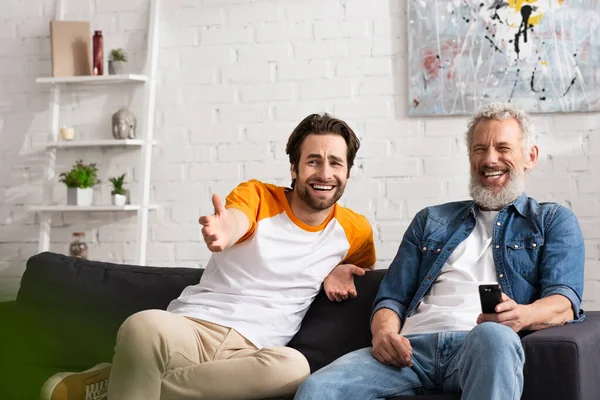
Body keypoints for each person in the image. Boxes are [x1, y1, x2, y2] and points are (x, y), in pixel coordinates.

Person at [41, 113, 376, 400]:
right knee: (142, 325)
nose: (325, 173)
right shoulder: (258, 196)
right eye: (313, 161)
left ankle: (121, 381)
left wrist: (343, 268)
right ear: (294, 167)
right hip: (193, 328)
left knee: (295, 368)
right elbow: (235, 219)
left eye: (336, 163)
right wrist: (223, 230)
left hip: (254, 351)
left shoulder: (354, 230)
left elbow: (364, 267)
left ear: (347, 172)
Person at [295, 103, 585, 400]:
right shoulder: (431, 220)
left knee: (494, 335)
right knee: (317, 389)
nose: (490, 159)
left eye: (503, 148)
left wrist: (521, 316)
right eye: (479, 149)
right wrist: (384, 334)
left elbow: (564, 301)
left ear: (530, 156)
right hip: (411, 351)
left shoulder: (551, 220)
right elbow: (391, 297)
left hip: (480, 344)